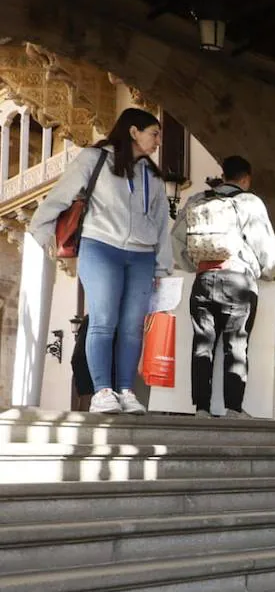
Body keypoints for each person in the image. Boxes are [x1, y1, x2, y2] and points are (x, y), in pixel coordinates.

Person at [29, 107, 175, 415]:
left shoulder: (153, 176)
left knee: (133, 327)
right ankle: (102, 391)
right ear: (134, 132)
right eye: (154, 133)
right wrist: (43, 233)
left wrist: (162, 266)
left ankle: (125, 390)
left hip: (142, 256)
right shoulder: (93, 160)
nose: (159, 140)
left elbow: (162, 223)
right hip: (101, 248)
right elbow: (60, 196)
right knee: (103, 321)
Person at [172, 155, 275, 418]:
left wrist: (194, 266)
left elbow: (176, 241)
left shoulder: (197, 200)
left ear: (223, 174)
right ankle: (233, 408)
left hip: (204, 279)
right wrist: (269, 272)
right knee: (236, 344)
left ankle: (201, 408)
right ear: (245, 178)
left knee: (202, 344)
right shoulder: (249, 202)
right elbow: (265, 246)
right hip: (238, 281)